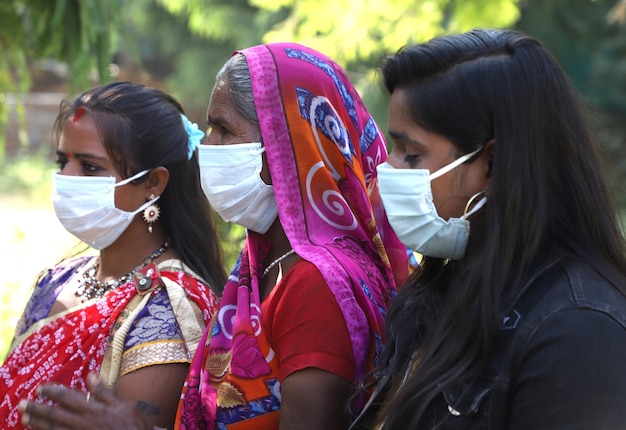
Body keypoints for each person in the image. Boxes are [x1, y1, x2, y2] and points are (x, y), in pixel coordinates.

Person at [17, 43, 409, 430]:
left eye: (223, 129)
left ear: (289, 145)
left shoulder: (315, 283)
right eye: (209, 128)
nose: (207, 146)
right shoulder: (265, 267)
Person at [348, 28, 626, 429]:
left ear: (491, 164)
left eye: (410, 153)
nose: (387, 168)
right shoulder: (444, 287)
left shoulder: (578, 330)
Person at [2, 81, 227, 430]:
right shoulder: (60, 278)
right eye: (63, 161)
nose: (66, 178)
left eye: (90, 168)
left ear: (153, 183)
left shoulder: (169, 307)